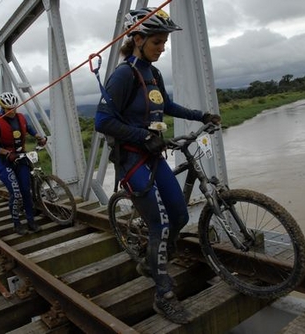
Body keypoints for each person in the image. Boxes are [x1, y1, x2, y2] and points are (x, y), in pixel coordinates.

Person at [94, 8, 221, 324]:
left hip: (153, 156)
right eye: (157, 42)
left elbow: (166, 104)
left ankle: (152, 261)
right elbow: (102, 120)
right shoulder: (124, 75)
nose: (162, 48)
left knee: (178, 213)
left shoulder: (153, 73)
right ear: (137, 39)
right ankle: (164, 295)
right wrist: (141, 136)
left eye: (164, 42)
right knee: (160, 224)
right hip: (132, 160)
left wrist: (200, 115)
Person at [0, 92, 47, 235]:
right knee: (16, 193)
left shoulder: (21, 118)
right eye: (9, 109)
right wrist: (6, 153)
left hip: (21, 159)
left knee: (26, 191)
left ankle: (31, 221)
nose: (12, 111)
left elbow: (29, 129)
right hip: (5, 162)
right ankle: (17, 223)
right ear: (3, 108)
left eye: (14, 108)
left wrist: (39, 137)